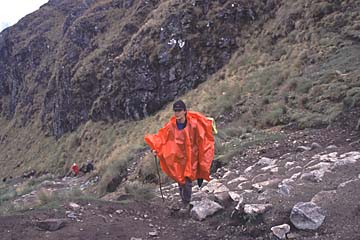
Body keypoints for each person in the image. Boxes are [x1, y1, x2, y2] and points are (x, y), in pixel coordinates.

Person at [144, 100, 215, 211]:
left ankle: (186, 203)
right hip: (177, 158)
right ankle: (184, 201)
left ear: (184, 111)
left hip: (191, 157)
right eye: (175, 111)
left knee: (187, 179)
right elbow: (162, 138)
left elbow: (202, 138)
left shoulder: (194, 124)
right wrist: (156, 149)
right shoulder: (171, 126)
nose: (177, 113)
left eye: (179, 110)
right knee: (180, 179)